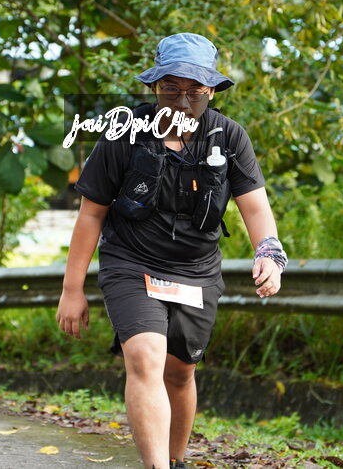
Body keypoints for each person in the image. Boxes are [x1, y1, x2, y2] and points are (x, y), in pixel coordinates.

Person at [56, 32, 286, 469]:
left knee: (179, 373)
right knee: (145, 358)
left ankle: (176, 461)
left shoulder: (228, 137)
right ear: (154, 87)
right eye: (171, 88)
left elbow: (255, 207)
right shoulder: (123, 134)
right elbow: (90, 214)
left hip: (196, 270)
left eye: (194, 91)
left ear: (211, 91)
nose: (182, 100)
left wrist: (269, 253)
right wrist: (72, 289)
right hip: (132, 261)